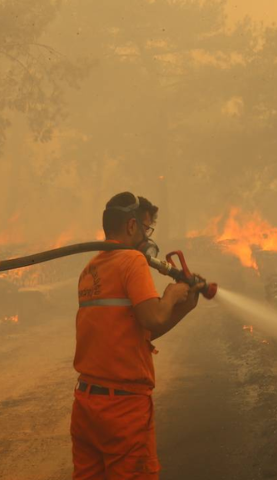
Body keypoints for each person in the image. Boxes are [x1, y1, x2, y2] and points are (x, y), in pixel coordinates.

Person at [71, 192, 203, 479]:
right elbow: (154, 316)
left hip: (86, 405)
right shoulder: (132, 261)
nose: (148, 237)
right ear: (132, 226)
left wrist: (184, 308)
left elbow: (141, 330)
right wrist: (170, 295)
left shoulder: (90, 269)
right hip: (123, 408)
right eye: (146, 228)